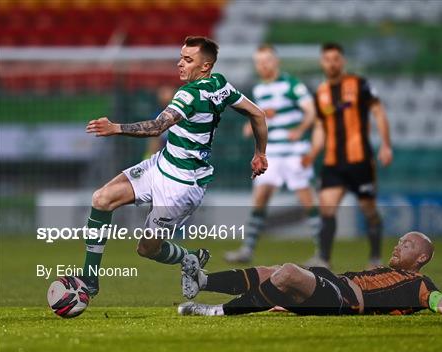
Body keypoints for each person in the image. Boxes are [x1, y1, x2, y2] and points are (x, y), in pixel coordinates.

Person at [82, 36, 268, 296]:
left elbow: (158, 127)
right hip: (161, 164)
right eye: (181, 57)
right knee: (101, 199)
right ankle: (89, 280)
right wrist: (260, 153)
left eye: (188, 60)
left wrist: (115, 128)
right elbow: (257, 113)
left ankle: (189, 257)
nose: (180, 64)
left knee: (147, 249)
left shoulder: (189, 95)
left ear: (205, 66)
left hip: (181, 186)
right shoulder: (220, 84)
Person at [178, 231, 442, 317]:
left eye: (405, 244)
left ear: (421, 257)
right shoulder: (383, 269)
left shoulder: (423, 286)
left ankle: (218, 311)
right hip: (334, 282)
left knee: (289, 273)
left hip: (344, 299)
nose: (398, 245)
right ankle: (203, 281)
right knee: (272, 270)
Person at [302, 42, 393, 269]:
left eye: (335, 59)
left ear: (342, 61)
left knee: (369, 211)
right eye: (327, 59)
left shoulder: (359, 84)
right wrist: (313, 153)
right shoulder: (321, 93)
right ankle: (323, 259)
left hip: (360, 160)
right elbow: (321, 128)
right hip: (333, 162)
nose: (332, 63)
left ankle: (374, 259)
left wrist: (386, 145)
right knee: (326, 208)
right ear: (322, 63)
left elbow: (378, 111)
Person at [224, 44, 319, 263]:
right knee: (260, 199)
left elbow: (311, 110)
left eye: (266, 60)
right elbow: (262, 117)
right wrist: (251, 127)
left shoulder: (291, 84)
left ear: (276, 61)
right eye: (259, 62)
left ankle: (321, 253)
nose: (262, 65)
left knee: (307, 200)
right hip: (271, 152)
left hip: (294, 152)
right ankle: (247, 250)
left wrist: (301, 130)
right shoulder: (259, 89)